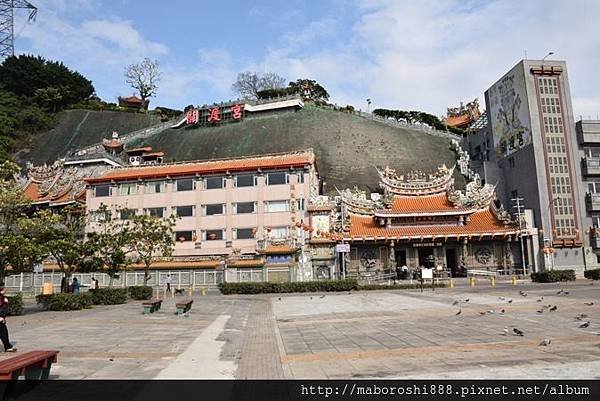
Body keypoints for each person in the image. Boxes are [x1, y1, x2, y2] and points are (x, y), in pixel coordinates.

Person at [0, 284, 17, 352]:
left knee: (4, 333)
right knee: (3, 332)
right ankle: (8, 347)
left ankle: (8, 347)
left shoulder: (2, 298)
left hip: (1, 319)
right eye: (3, 289)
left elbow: (3, 309)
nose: (5, 290)